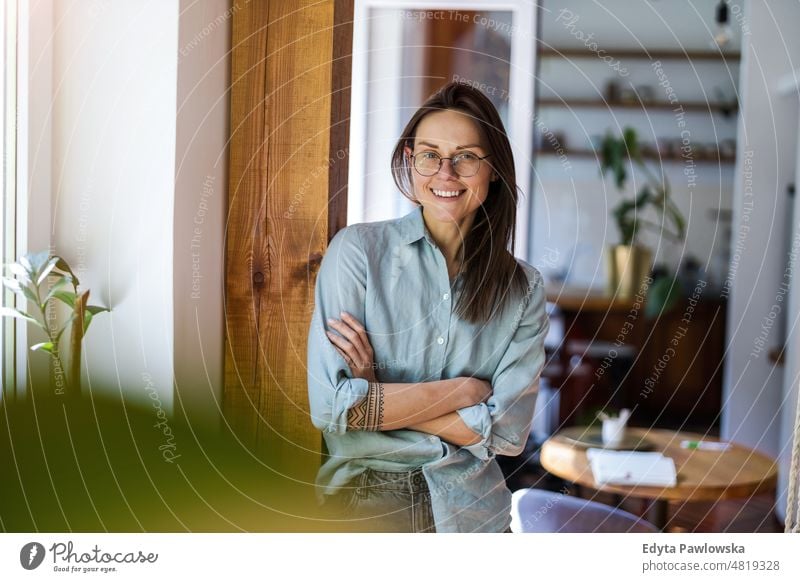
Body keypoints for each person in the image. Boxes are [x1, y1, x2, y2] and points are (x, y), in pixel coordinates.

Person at [307, 81, 549, 533]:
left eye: (466, 157)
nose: (446, 173)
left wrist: (375, 394)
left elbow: (509, 433)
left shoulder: (523, 288)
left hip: (476, 508)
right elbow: (333, 408)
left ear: (493, 169)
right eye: (430, 155)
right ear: (409, 160)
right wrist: (463, 393)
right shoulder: (358, 253)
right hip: (371, 496)